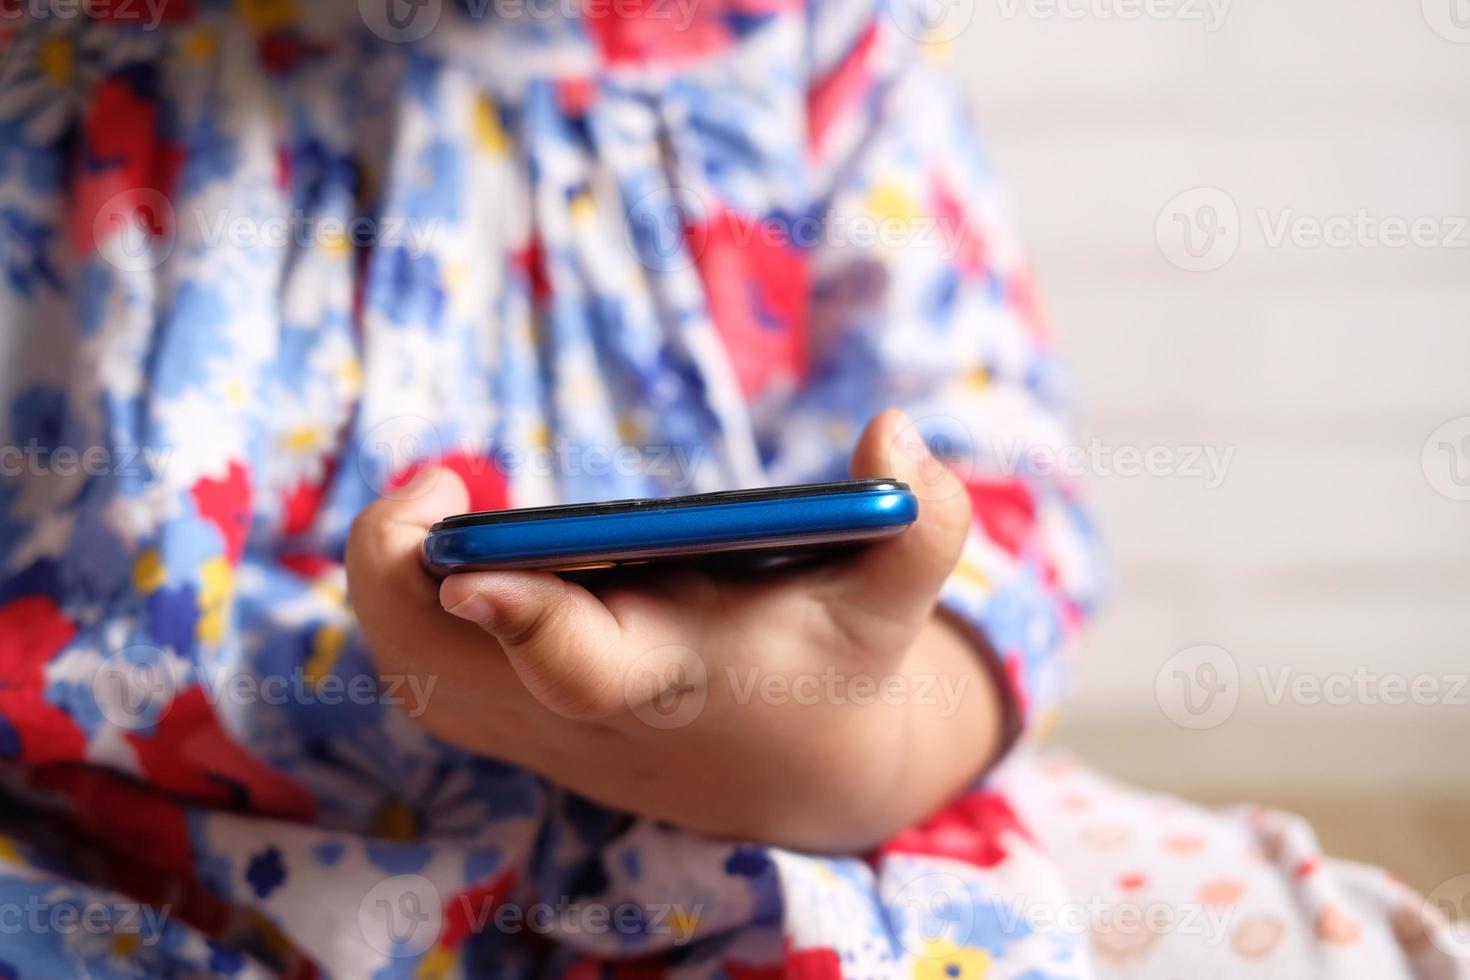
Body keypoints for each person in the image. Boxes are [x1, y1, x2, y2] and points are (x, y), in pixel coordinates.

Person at [0, 2, 1463, 977]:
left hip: (766, 836)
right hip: (109, 852)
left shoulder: (811, 42)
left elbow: (993, 490)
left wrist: (849, 738)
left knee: (1297, 937)